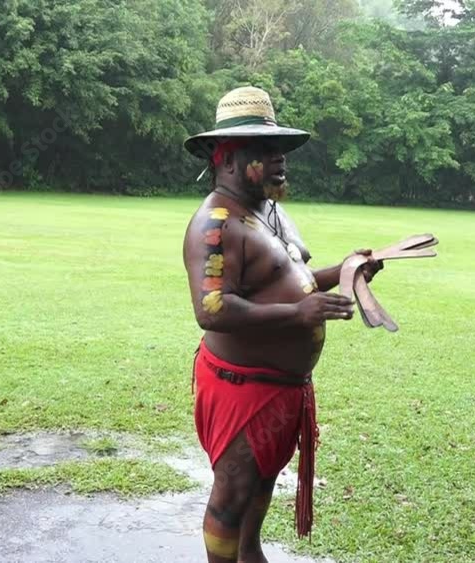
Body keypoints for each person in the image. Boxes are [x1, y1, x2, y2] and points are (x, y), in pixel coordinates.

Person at [182, 86, 382, 563]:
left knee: (258, 488)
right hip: (241, 388)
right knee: (232, 494)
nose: (279, 161)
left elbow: (292, 279)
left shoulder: (271, 211)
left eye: (281, 150)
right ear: (227, 158)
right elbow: (211, 309)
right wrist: (298, 314)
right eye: (265, 151)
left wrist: (348, 270)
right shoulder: (215, 224)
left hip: (281, 388)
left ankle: (251, 555)